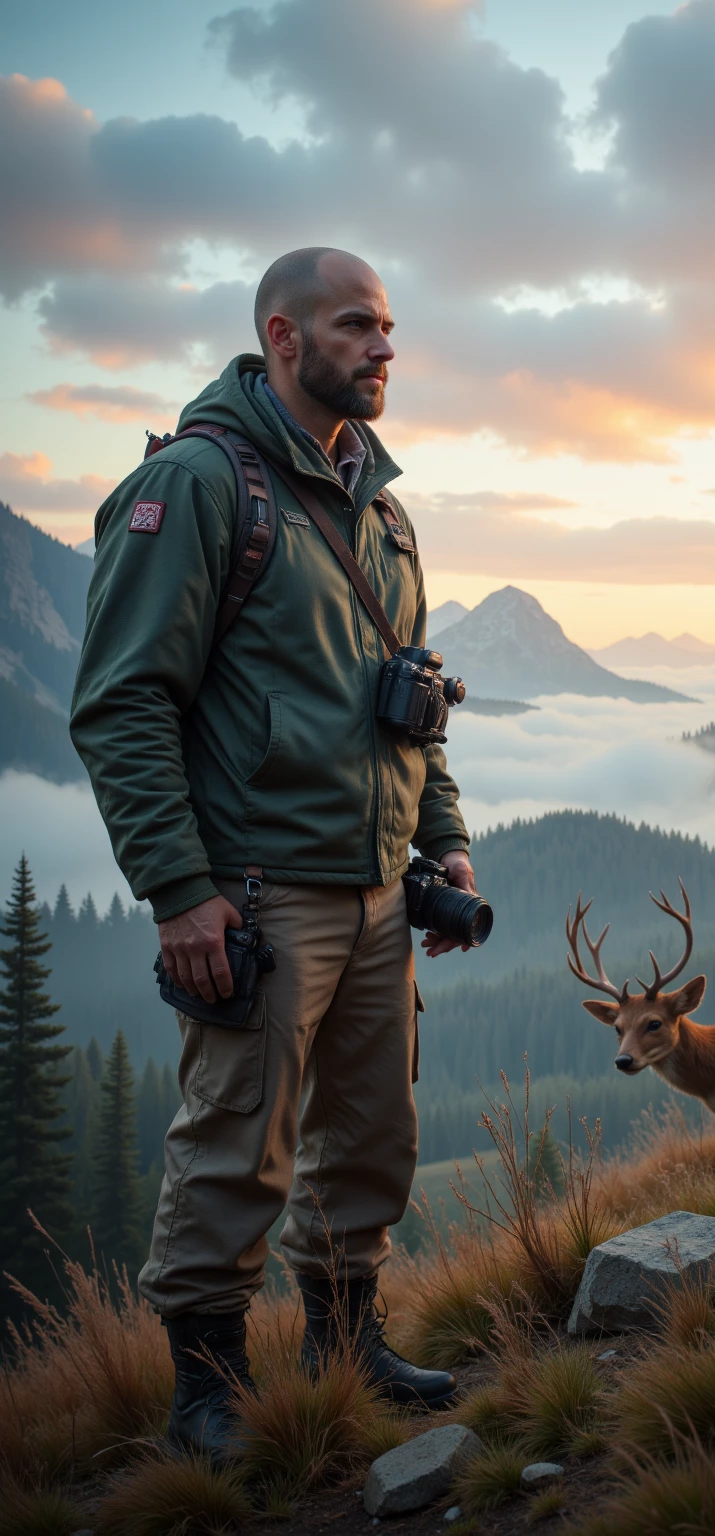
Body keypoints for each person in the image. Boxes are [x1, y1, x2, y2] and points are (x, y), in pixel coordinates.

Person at [71, 248, 475, 1457]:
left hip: (379, 891)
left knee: (371, 1138)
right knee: (236, 1144)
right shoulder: (197, 485)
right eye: (356, 325)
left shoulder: (384, 513)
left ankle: (346, 1347)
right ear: (283, 338)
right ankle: (205, 1391)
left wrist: (444, 843)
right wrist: (179, 893)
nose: (384, 347)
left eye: (389, 326)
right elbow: (123, 704)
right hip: (255, 896)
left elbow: (413, 702)